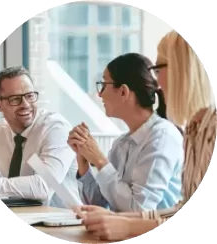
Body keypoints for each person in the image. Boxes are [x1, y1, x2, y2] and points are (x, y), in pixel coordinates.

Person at [73, 30, 216, 241]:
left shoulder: (166, 135)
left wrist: (100, 160)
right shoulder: (192, 133)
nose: (156, 83)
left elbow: (138, 206)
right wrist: (84, 163)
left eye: (158, 70)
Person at [68, 52, 184, 212]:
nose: (99, 93)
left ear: (123, 91)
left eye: (103, 84)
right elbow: (99, 206)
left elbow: (139, 210)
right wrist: (83, 160)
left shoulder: (162, 137)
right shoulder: (121, 144)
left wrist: (100, 160)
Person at [0, 66, 80, 208]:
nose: (25, 104)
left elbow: (45, 186)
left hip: (64, 221)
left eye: (30, 96)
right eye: (15, 99)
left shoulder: (55, 128)